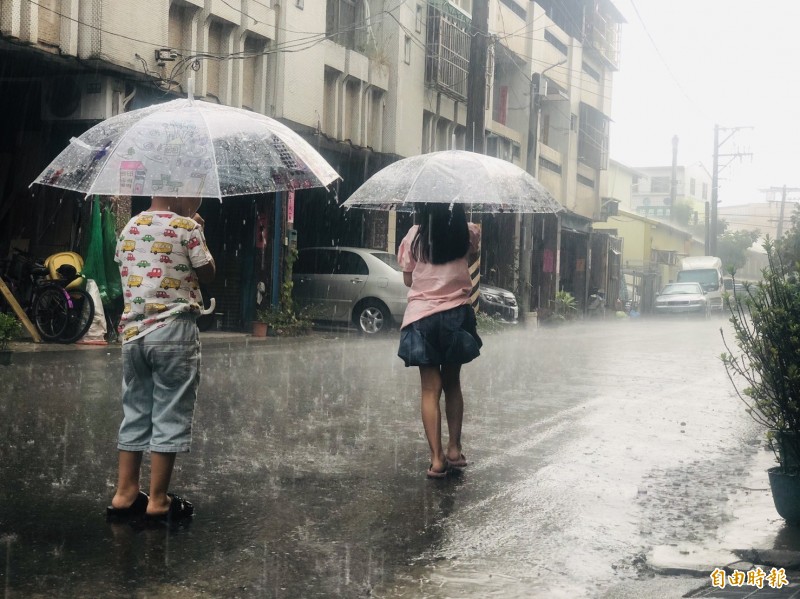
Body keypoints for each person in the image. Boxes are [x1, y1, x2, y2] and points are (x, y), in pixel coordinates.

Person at [106, 196, 215, 524]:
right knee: (169, 410)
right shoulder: (188, 227)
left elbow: (127, 263)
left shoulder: (131, 225)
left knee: (136, 410)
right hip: (173, 332)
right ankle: (157, 501)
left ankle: (124, 493)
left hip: (133, 334)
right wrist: (198, 232)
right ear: (181, 193)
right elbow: (207, 273)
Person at [396, 203, 482, 478]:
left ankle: (436, 460)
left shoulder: (415, 236)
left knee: (430, 390)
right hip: (456, 315)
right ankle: (454, 449)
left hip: (422, 317)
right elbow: (471, 256)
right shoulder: (466, 232)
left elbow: (408, 279)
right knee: (452, 383)